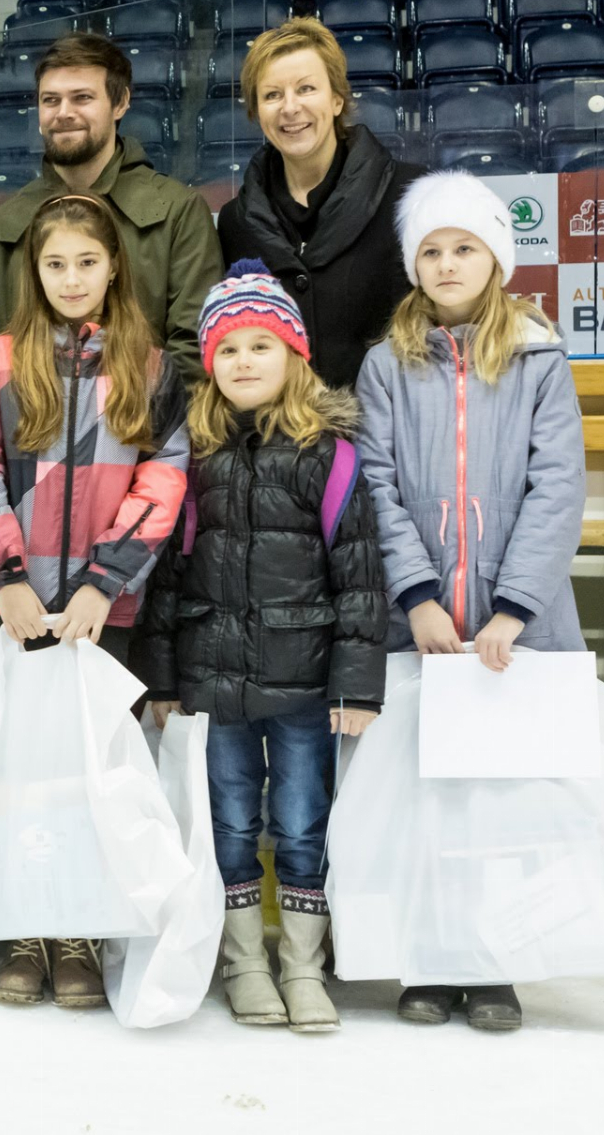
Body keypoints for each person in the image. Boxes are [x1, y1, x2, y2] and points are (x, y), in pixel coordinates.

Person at [354, 171, 587, 1033]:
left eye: (465, 248)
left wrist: (514, 607)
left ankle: (495, 966)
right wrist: (415, 595)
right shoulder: (386, 365)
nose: (448, 263)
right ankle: (431, 958)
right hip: (422, 629)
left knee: (501, 807)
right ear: (413, 266)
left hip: (510, 632)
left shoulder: (538, 359)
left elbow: (558, 484)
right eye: (431, 250)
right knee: (426, 808)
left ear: (497, 258)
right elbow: (375, 483)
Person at [135, 264, 388, 1033]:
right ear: (208, 362)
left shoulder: (329, 455)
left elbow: (360, 580)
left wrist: (355, 687)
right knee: (231, 820)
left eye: (262, 345)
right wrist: (166, 679)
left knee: (304, 820)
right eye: (229, 348)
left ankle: (303, 964)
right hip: (216, 684)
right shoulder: (195, 458)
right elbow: (169, 581)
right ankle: (244, 962)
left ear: (295, 357)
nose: (244, 361)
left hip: (306, 684)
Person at [0, 193, 191, 1010]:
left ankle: (81, 931)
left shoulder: (150, 364)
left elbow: (163, 481)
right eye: (55, 264)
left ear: (115, 267)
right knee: (21, 774)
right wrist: (6, 579)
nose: (71, 277)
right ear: (35, 272)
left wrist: (102, 582)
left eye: (87, 262)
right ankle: (27, 927)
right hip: (18, 606)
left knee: (92, 774)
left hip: (100, 611)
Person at [0, 32, 222, 382]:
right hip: (29, 432)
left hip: (145, 431)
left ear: (120, 103)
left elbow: (195, 350)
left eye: (82, 98)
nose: (64, 113)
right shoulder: (3, 225)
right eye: (51, 100)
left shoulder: (177, 213)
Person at [215, 17, 428, 390]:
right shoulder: (235, 222)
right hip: (280, 440)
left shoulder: (410, 193)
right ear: (256, 112)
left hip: (387, 437)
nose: (290, 107)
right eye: (272, 95)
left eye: (306, 88)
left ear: (336, 99)